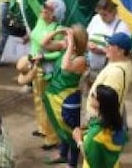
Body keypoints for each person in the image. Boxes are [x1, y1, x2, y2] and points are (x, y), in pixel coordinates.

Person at [42, 24, 88, 167]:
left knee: (70, 130)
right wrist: (58, 31)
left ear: (76, 41)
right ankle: (63, 155)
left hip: (68, 99)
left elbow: (66, 67)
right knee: (61, 129)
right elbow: (45, 44)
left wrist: (70, 45)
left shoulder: (81, 59)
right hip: (55, 96)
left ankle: (72, 164)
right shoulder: (65, 47)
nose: (65, 39)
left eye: (69, 37)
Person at [28, 0, 65, 150]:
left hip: (46, 70)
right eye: (44, 6)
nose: (43, 10)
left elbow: (60, 53)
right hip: (35, 67)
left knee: (48, 103)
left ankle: (52, 137)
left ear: (55, 14)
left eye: (48, 8)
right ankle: (43, 128)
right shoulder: (41, 20)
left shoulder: (57, 30)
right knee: (38, 99)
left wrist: (44, 56)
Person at [72, 85, 127, 167]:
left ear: (100, 103)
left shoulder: (95, 135)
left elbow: (89, 156)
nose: (90, 96)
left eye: (93, 95)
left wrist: (79, 140)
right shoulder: (119, 125)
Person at [86, 32, 132, 120]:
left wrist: (92, 101)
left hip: (100, 119)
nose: (106, 47)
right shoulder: (124, 62)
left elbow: (106, 103)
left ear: (120, 51)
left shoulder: (115, 73)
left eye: (110, 46)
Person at [85, 0, 131, 82]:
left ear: (113, 12)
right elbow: (86, 37)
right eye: (100, 14)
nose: (102, 17)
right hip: (91, 68)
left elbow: (124, 54)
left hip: (109, 72)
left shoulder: (122, 27)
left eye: (104, 14)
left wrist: (101, 50)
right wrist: (88, 45)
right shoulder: (96, 19)